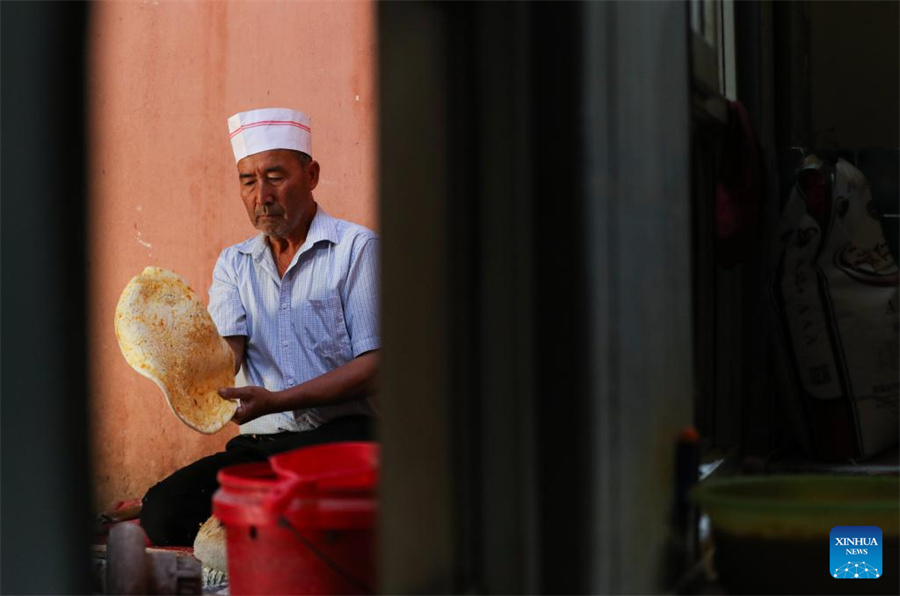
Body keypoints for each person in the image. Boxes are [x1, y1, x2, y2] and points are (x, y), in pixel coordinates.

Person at [140, 107, 380, 546]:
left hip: (343, 441)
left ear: (311, 175)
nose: (261, 195)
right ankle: (271, 527)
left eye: (275, 176)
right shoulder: (235, 264)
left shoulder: (356, 250)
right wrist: (173, 355)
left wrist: (278, 400)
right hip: (266, 447)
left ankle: (264, 530)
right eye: (247, 181)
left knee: (301, 503)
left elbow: (376, 367)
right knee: (163, 511)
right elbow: (225, 358)